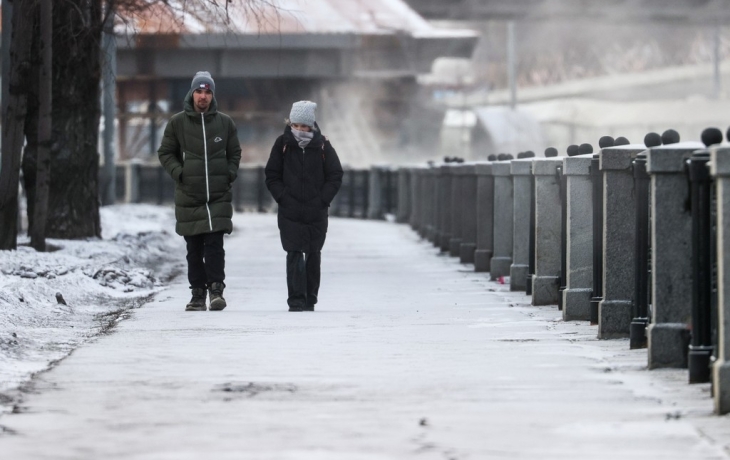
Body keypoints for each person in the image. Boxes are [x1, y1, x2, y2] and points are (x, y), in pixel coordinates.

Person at [158, 71, 242, 311]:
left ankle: (216, 290)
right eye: (199, 91)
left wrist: (229, 173)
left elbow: (234, 152)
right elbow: (165, 153)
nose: (203, 96)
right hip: (189, 197)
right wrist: (180, 173)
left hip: (217, 196)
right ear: (192, 93)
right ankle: (197, 294)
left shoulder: (225, 123)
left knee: (215, 245)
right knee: (194, 248)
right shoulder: (178, 123)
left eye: (207, 92)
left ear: (212, 95)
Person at [265, 101, 343, 312]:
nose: (299, 130)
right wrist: (282, 196)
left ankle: (310, 298)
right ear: (290, 123)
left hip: (315, 210)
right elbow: (272, 174)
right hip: (289, 209)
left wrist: (322, 199)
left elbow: (335, 174)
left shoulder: (323, 146)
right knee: (293, 252)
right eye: (296, 125)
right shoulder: (282, 143)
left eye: (303, 126)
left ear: (311, 125)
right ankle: (296, 300)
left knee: (313, 252)